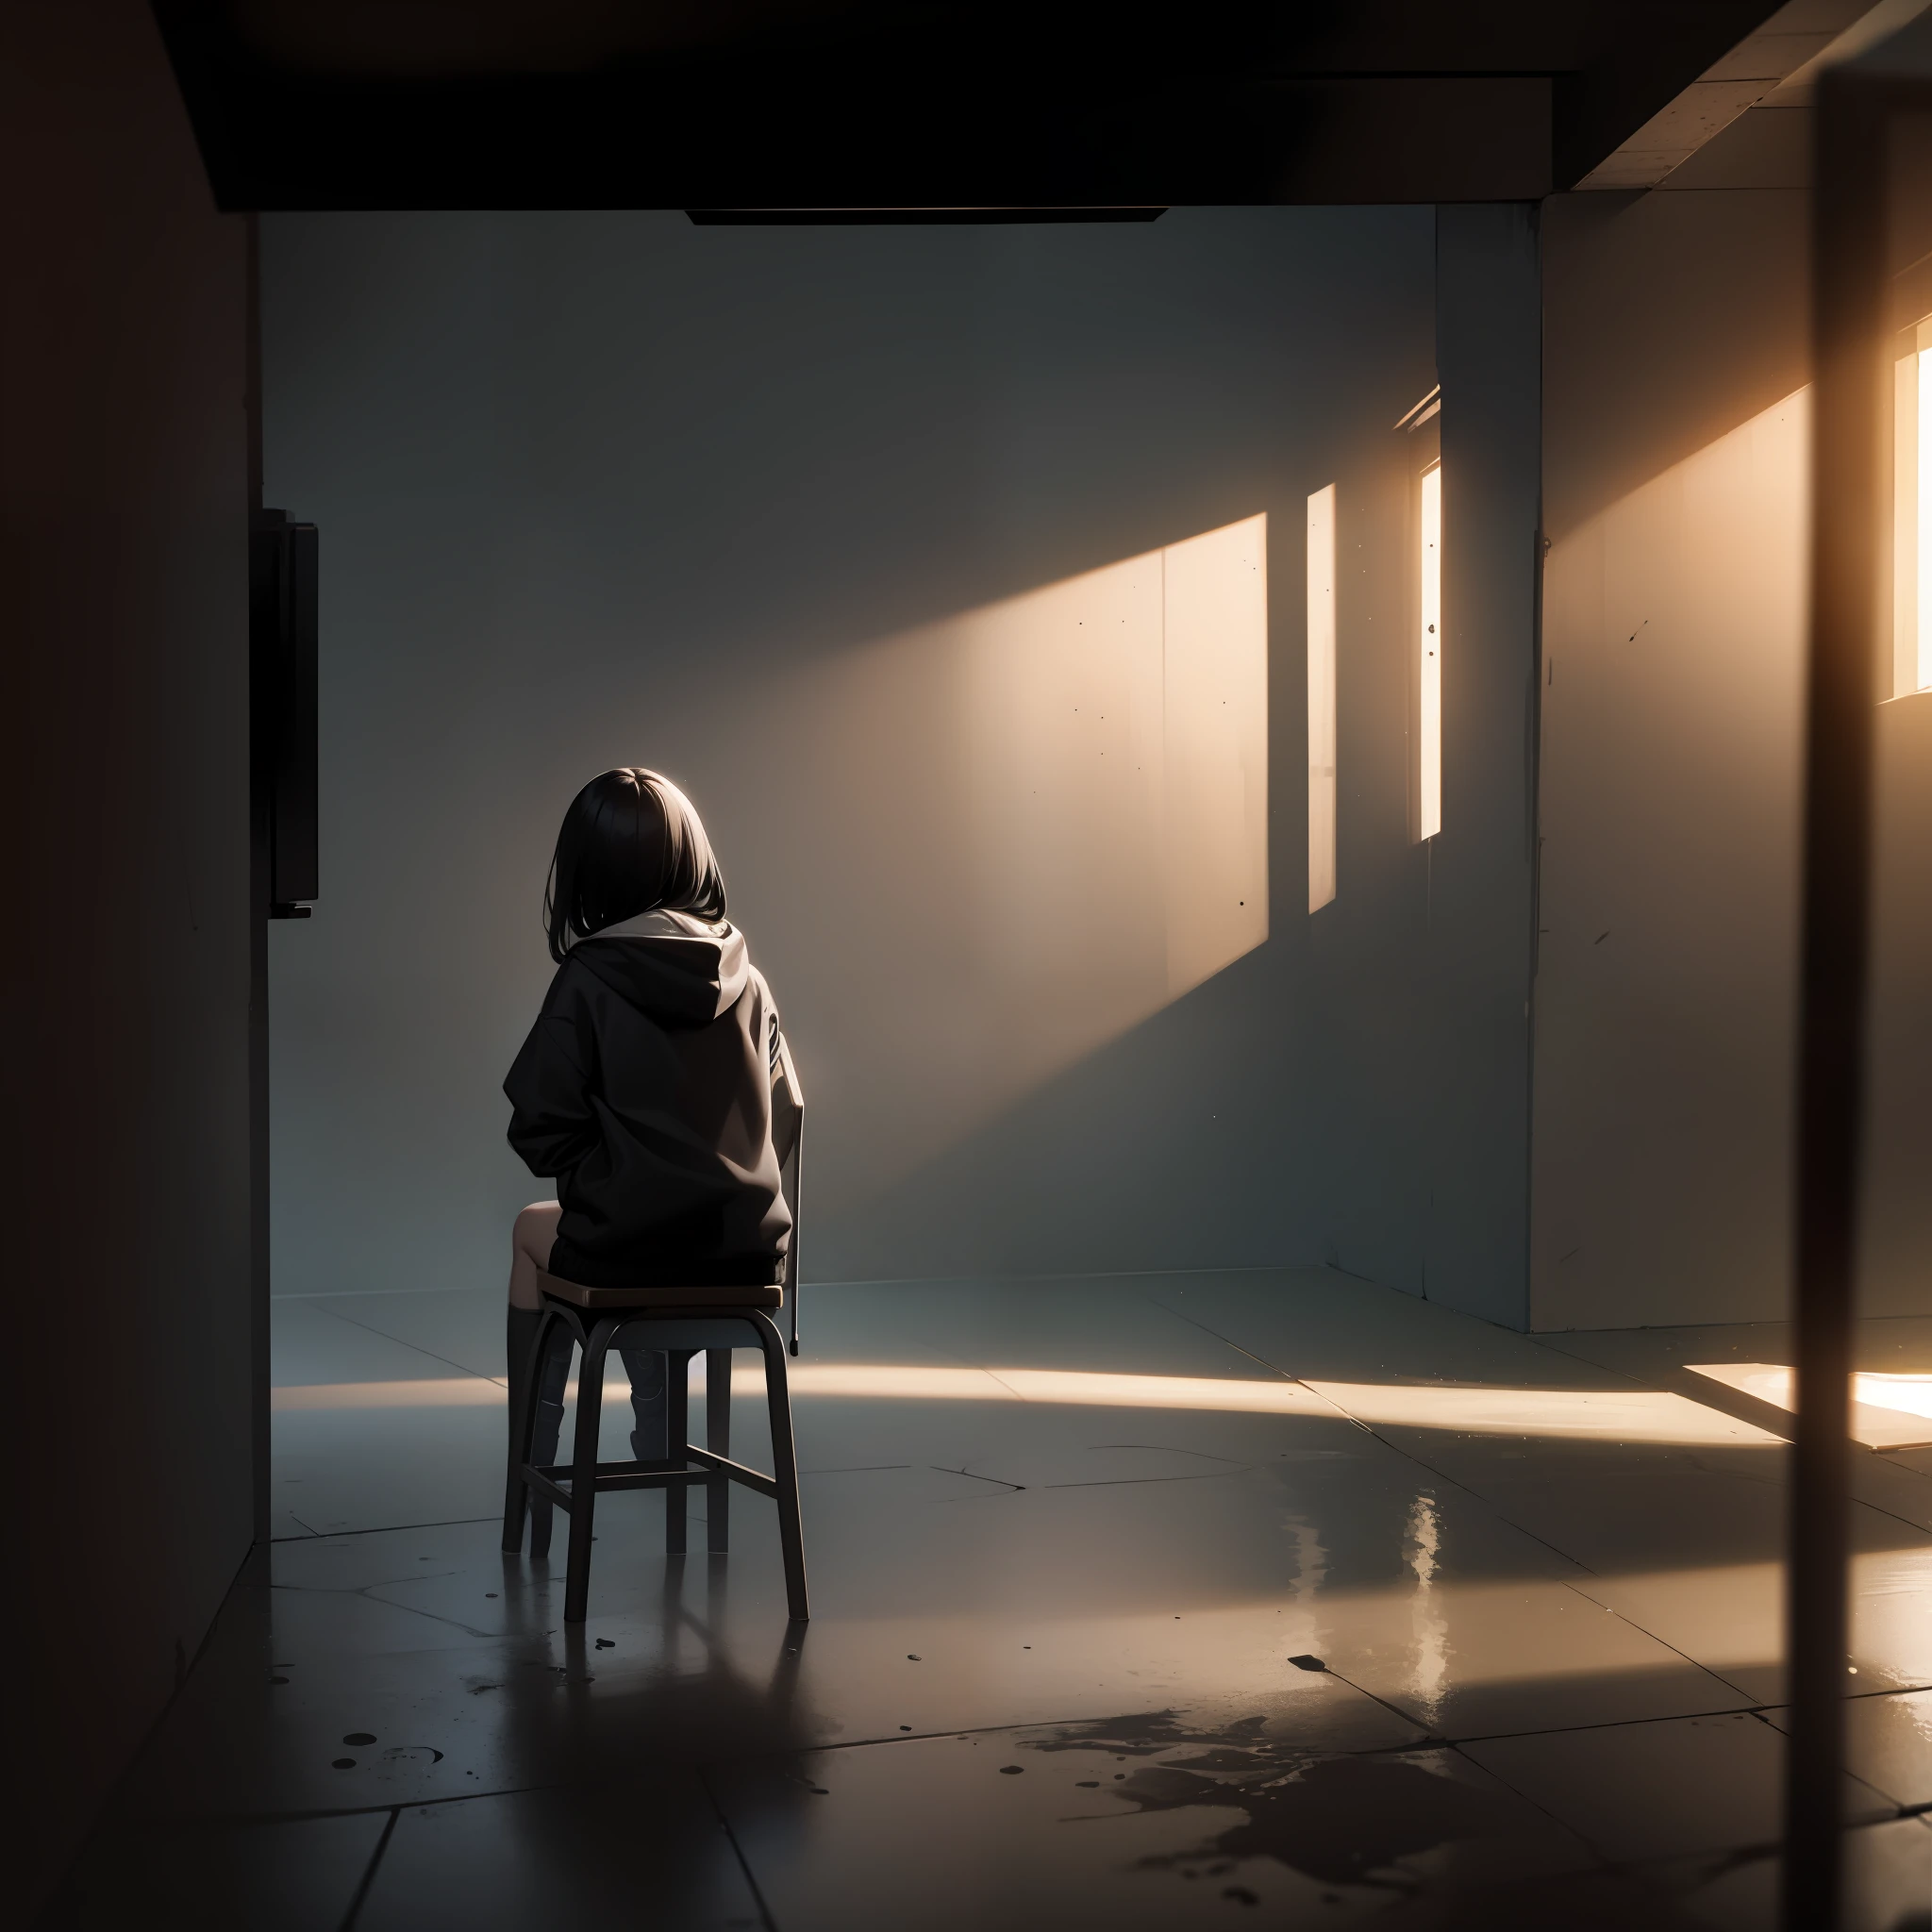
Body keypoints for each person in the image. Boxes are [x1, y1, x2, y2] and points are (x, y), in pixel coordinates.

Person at [502, 767, 800, 1477]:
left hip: (630, 1249)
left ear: (587, 872)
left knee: (533, 1230)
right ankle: (658, 1415)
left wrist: (618, 1177)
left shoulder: (587, 978)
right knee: (648, 1228)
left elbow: (539, 1126)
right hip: (745, 1255)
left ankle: (532, 1462)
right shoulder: (747, 980)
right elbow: (788, 1112)